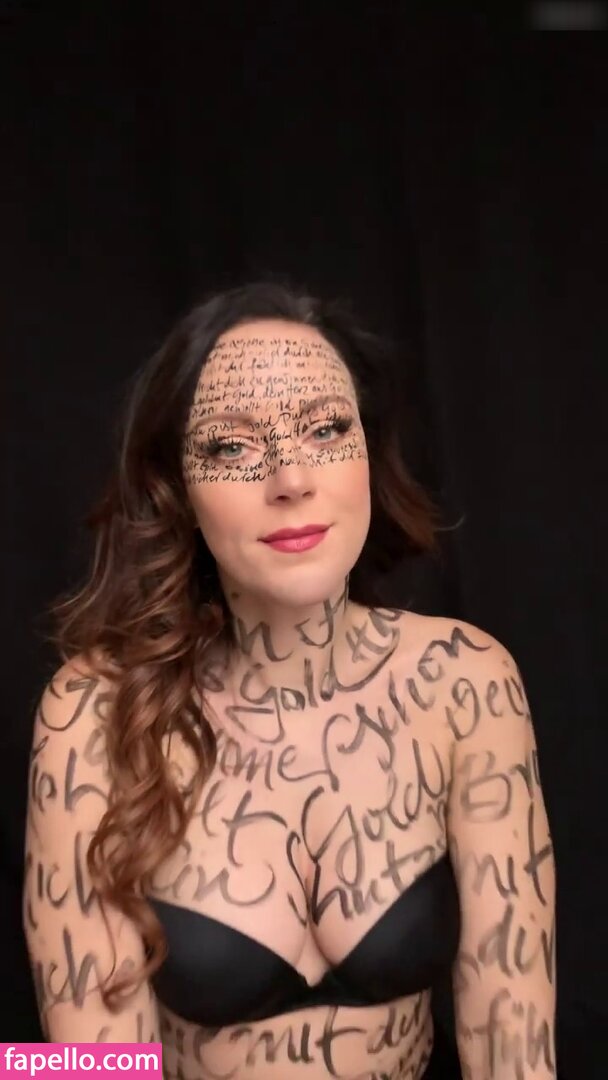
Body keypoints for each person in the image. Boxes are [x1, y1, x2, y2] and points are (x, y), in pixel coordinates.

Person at [23, 281, 556, 1079]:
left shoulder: (467, 681)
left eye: (324, 429)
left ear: (367, 452)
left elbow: (512, 1044)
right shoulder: (92, 714)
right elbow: (88, 1065)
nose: (290, 479)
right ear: (177, 488)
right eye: (232, 448)